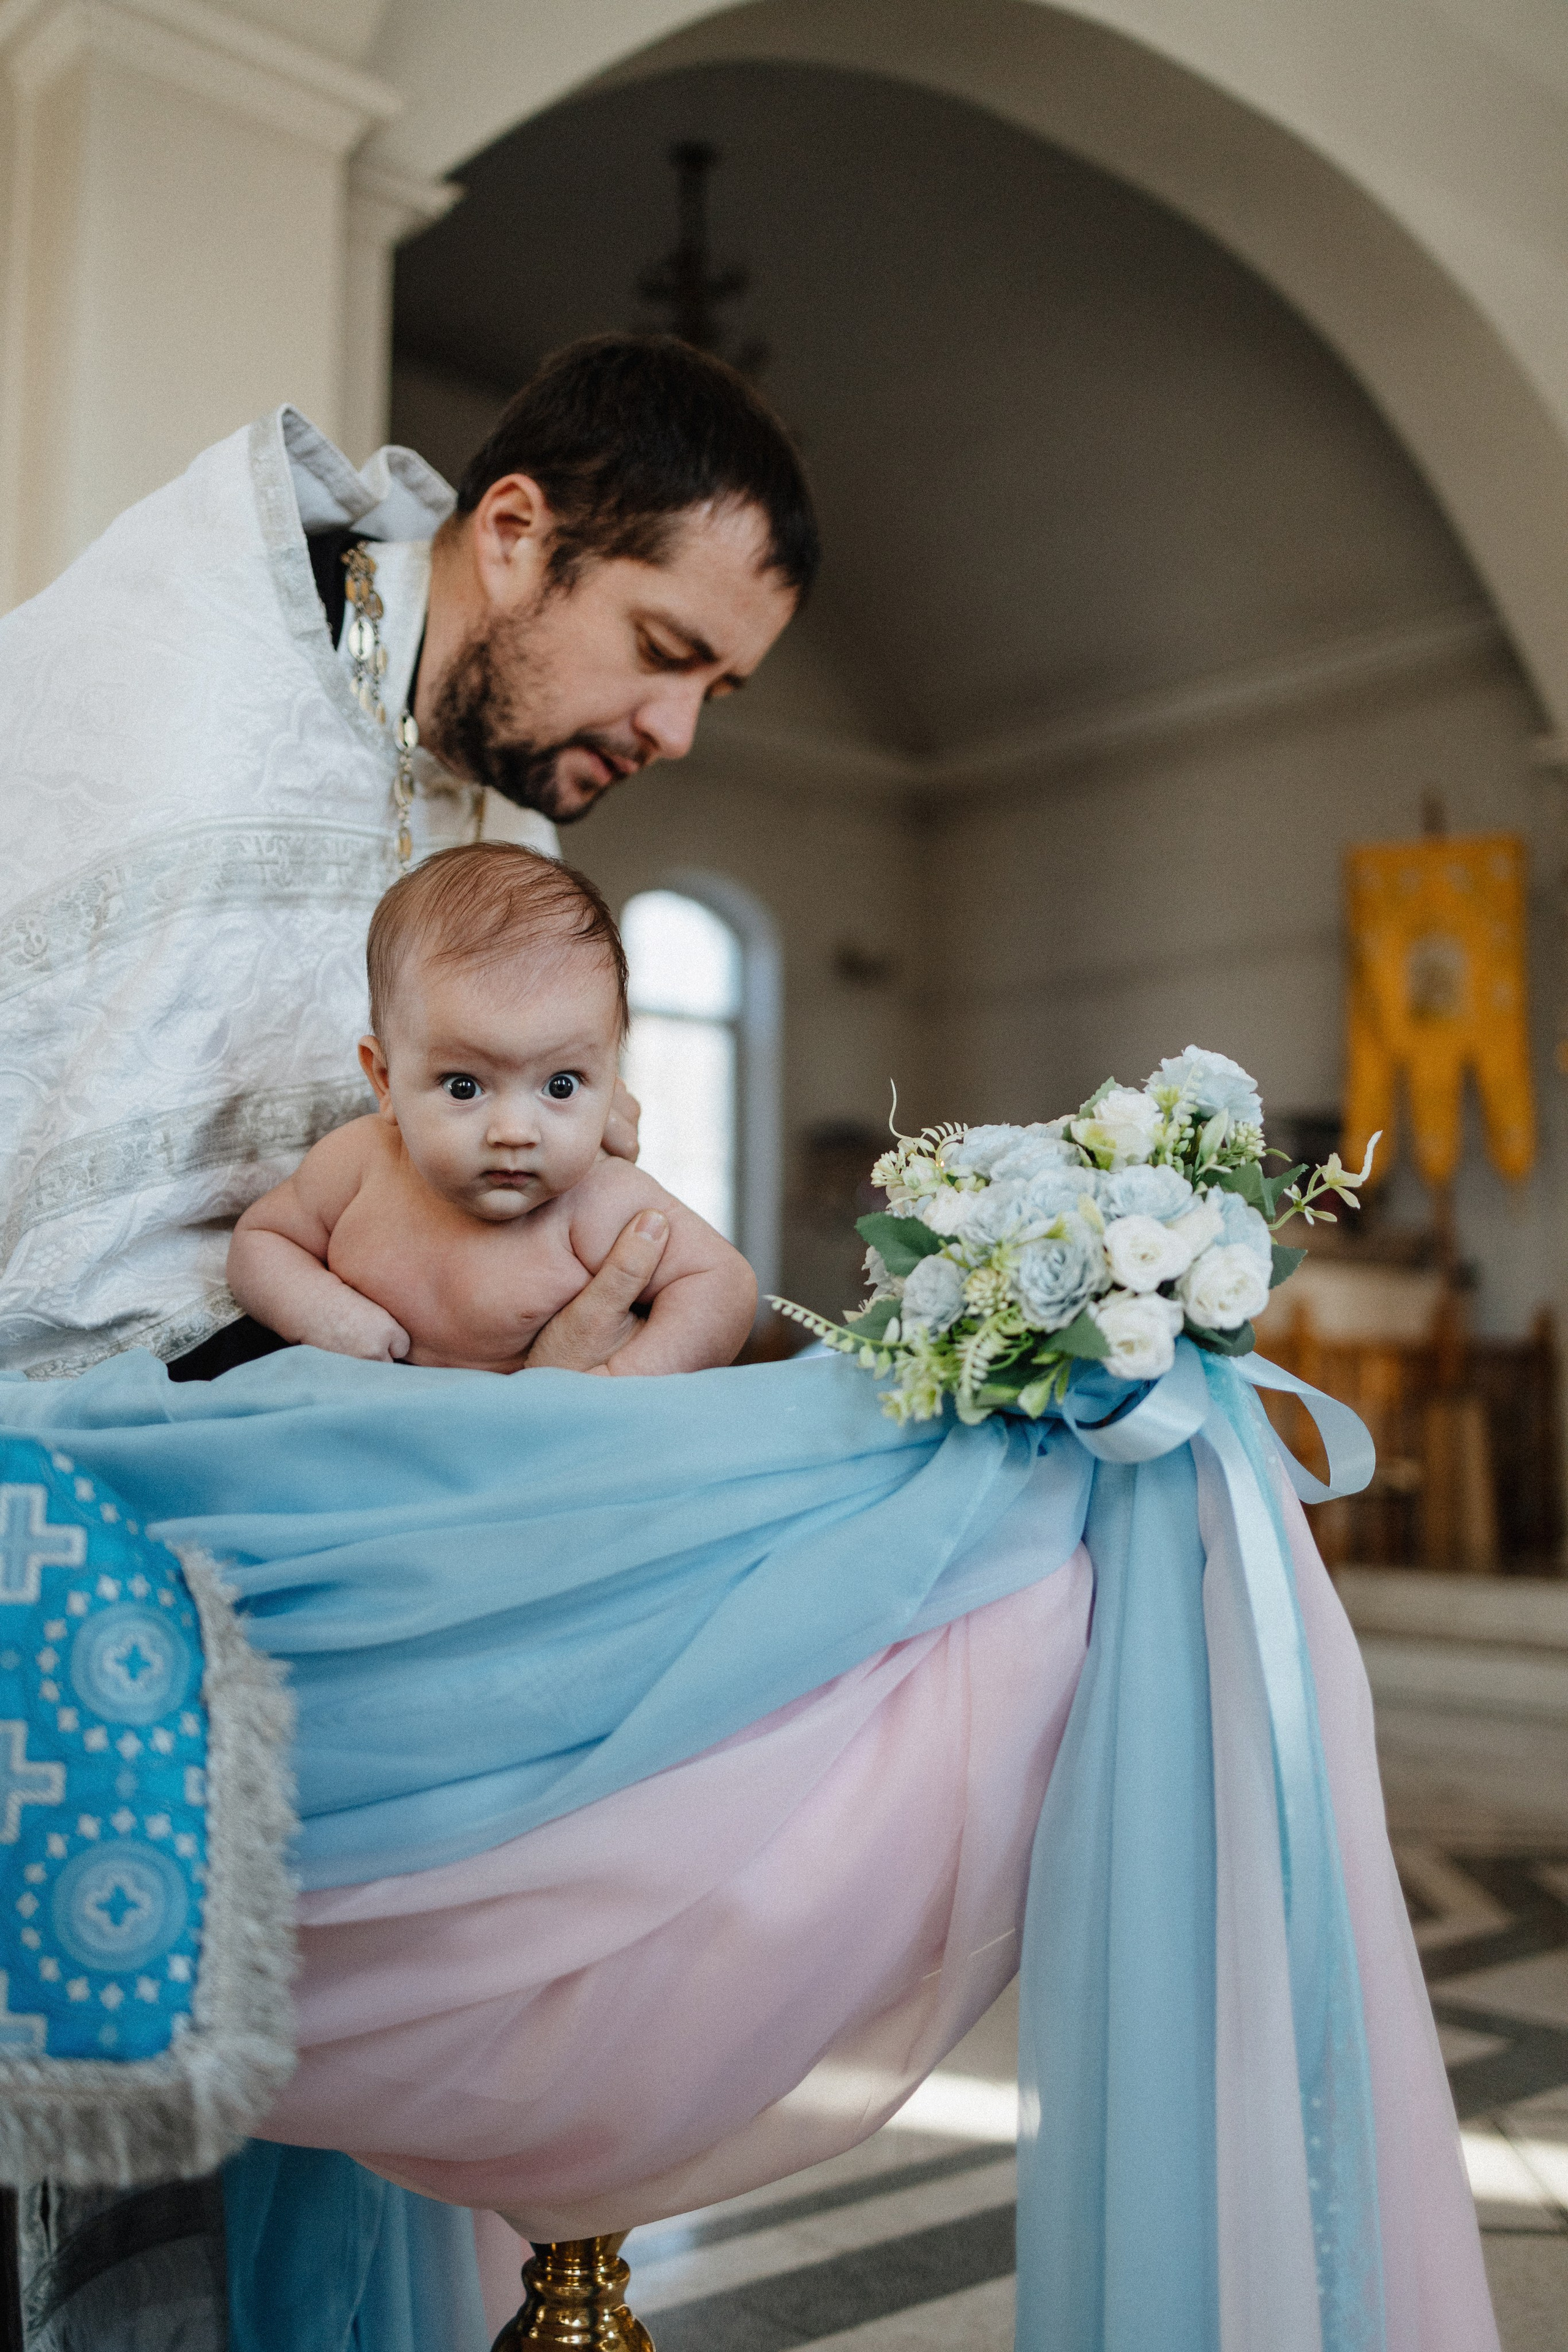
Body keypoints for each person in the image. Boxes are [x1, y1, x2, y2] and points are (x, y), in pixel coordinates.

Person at [0, 334, 815, 1382]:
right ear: (514, 532)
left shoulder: (507, 809)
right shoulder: (180, 700)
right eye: (663, 652)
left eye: (717, 691)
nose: (678, 731)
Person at [228, 844, 756, 1374]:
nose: (514, 1132)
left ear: (612, 1080)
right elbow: (261, 1242)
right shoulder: (357, 1165)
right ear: (385, 1080)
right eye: (463, 1087)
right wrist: (325, 1313)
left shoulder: (599, 1201)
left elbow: (722, 1284)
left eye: (562, 1085)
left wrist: (620, 1382)